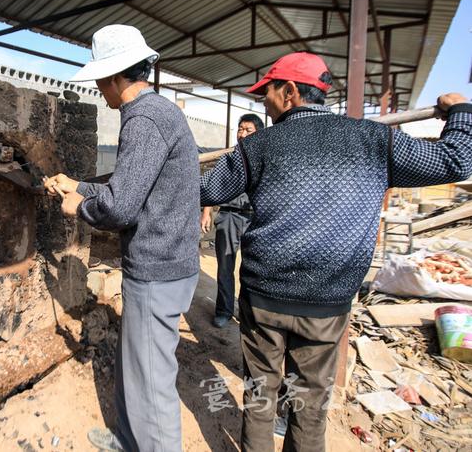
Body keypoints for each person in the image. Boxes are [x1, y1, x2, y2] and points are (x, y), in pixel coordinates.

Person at [199, 51, 472, 452]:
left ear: (290, 92)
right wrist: (462, 113)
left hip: (265, 298)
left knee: (260, 398)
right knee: (309, 407)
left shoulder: (260, 145)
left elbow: (205, 189)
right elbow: (457, 159)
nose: (263, 103)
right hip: (326, 305)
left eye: (267, 94)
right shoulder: (375, 139)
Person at [44, 25, 200, 452]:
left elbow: (121, 207)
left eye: (100, 80)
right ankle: (130, 441)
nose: (98, 88)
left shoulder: (143, 121)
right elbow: (130, 185)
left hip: (157, 270)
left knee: (152, 385)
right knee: (136, 368)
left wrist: (80, 206)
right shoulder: (156, 113)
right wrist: (78, 183)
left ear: (114, 77)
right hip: (165, 265)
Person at [200, 113, 264, 328]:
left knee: (252, 268)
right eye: (240, 129)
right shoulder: (228, 157)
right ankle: (224, 311)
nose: (243, 133)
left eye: (248, 130)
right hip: (228, 216)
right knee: (225, 266)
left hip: (253, 218)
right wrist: (206, 212)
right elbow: (212, 186)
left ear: (259, 134)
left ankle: (248, 314)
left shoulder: (264, 157)